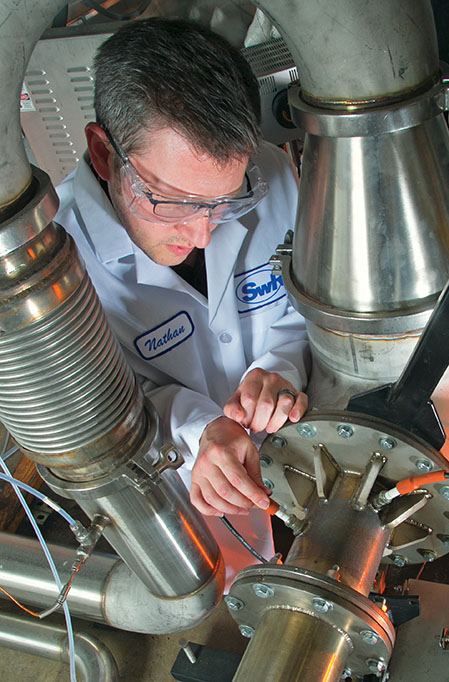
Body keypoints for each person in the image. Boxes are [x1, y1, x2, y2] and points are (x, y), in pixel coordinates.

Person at [54, 17, 309, 583]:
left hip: (290, 452)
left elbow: (298, 310)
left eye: (224, 202)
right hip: (166, 487)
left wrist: (277, 370)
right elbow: (99, 411)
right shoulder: (58, 268)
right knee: (211, 590)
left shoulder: (268, 172)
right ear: (103, 154)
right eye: (172, 203)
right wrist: (199, 428)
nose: (202, 235)